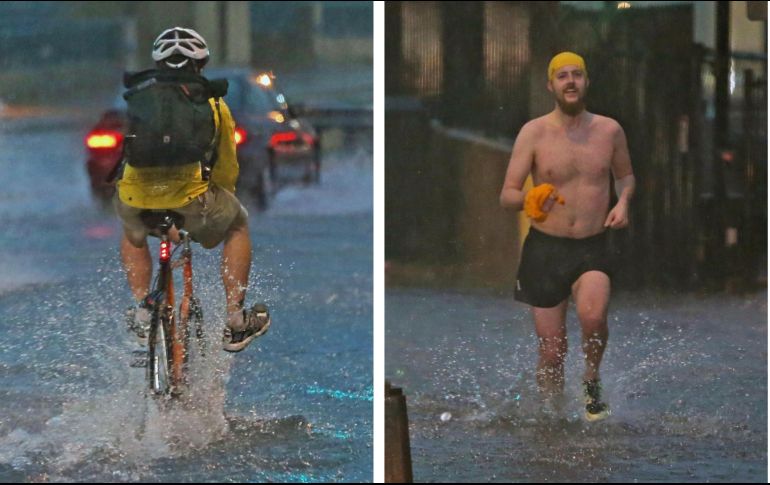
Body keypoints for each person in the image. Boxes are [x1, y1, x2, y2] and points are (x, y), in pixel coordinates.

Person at [499, 52, 635, 421]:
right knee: (552, 350)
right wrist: (529, 197)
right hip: (545, 248)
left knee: (593, 317)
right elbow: (507, 194)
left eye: (577, 74)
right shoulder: (534, 133)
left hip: (594, 244)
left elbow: (625, 175)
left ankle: (591, 379)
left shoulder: (609, 130)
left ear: (587, 82)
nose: (571, 81)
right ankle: (551, 413)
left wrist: (623, 202)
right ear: (551, 85)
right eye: (563, 76)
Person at [116, 27, 270, 353]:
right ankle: (236, 320)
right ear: (201, 65)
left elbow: (128, 155)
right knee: (238, 223)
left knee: (133, 230)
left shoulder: (139, 100)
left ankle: (143, 310)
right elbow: (226, 169)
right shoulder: (213, 103)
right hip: (192, 199)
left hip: (136, 198)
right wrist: (221, 201)